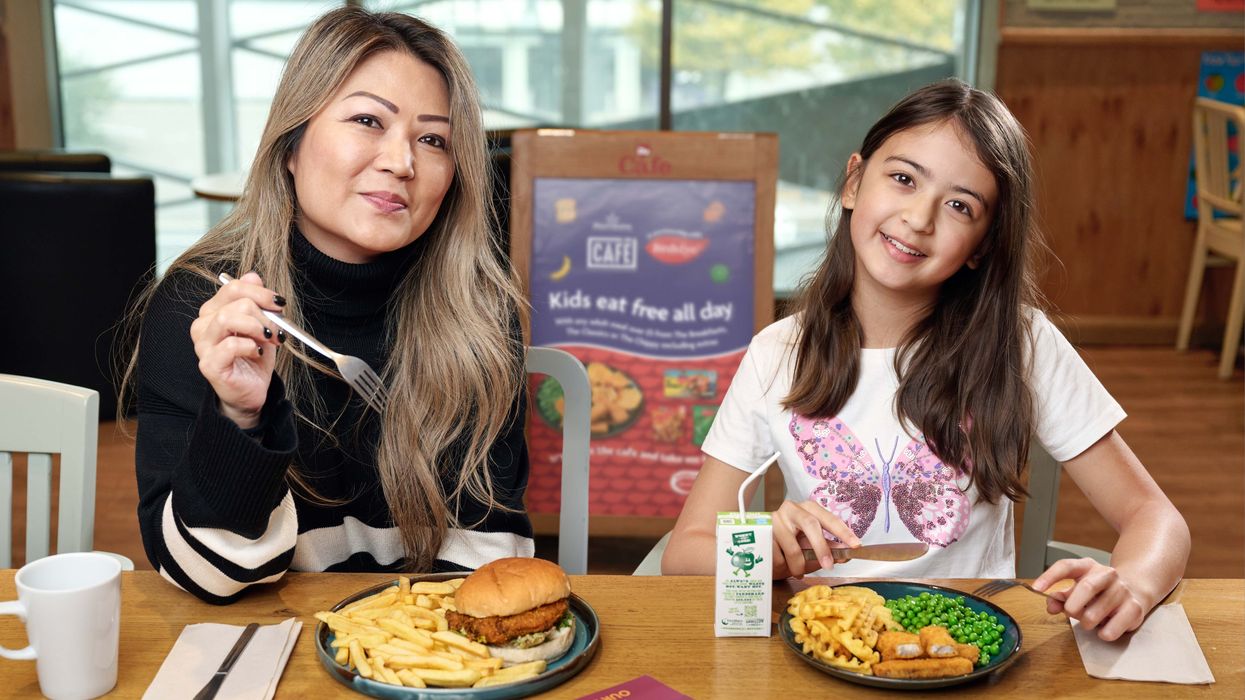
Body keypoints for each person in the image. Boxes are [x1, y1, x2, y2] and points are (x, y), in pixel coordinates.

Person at [662, 80, 1189, 642]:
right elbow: (685, 551)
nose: (919, 217)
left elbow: (1156, 519)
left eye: (960, 205)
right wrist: (761, 548)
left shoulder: (1020, 342)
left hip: (969, 642)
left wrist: (1130, 584)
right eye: (903, 179)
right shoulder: (777, 353)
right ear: (854, 181)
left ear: (983, 245)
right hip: (823, 645)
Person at [123, 7, 531, 604]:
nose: (402, 161)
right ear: (291, 146)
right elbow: (206, 578)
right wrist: (240, 417)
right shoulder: (204, 309)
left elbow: (488, 553)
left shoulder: (478, 317)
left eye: (433, 138)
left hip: (430, 667)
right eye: (368, 119)